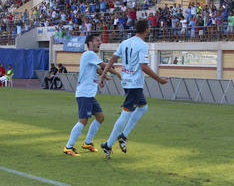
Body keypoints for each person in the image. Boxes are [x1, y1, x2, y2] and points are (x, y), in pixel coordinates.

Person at [99, 19, 169, 159]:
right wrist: (159, 80)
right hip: (135, 84)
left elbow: (112, 60)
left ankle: (123, 136)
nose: (150, 29)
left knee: (143, 107)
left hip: (126, 81)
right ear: (146, 29)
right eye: (149, 27)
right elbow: (144, 67)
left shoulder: (125, 42)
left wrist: (103, 75)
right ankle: (109, 143)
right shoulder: (143, 45)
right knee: (126, 113)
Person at [63, 34, 121, 156]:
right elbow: (104, 66)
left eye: (100, 40)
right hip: (84, 94)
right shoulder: (89, 54)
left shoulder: (92, 57)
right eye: (97, 40)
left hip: (89, 95)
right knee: (83, 121)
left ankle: (87, 143)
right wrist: (118, 74)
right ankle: (69, 147)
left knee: (100, 117)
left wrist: (104, 77)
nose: (100, 42)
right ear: (90, 43)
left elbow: (98, 70)